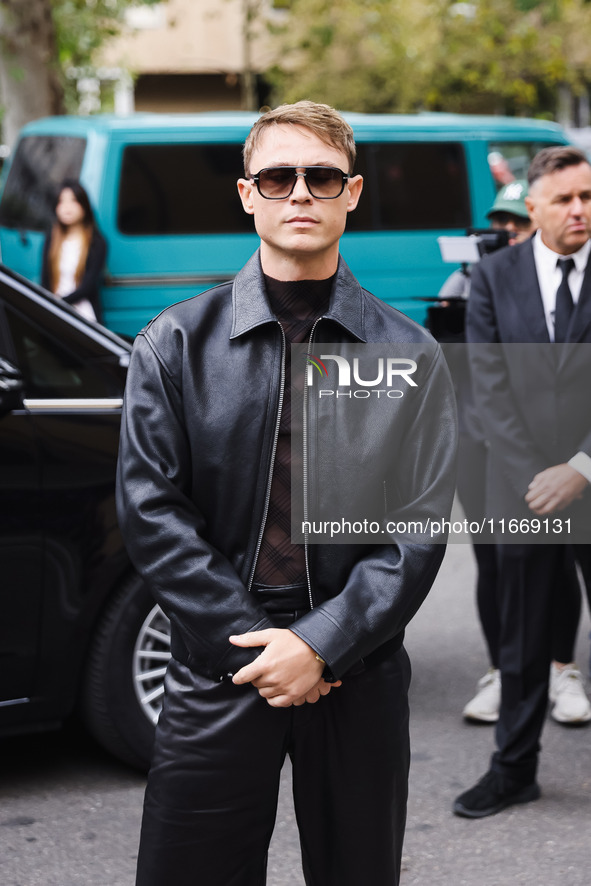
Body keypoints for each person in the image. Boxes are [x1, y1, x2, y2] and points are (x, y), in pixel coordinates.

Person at [116, 101, 457, 886]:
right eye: (277, 176)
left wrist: (322, 642)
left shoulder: (411, 352)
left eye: (320, 176)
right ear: (247, 195)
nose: (299, 192)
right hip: (219, 658)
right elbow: (151, 513)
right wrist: (260, 646)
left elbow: (419, 525)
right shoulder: (172, 343)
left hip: (357, 661)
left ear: (352, 192)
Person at [455, 145, 591, 818]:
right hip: (523, 489)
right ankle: (512, 771)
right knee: (521, 637)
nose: (578, 210)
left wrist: (580, 469)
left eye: (587, 198)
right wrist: (537, 478)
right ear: (530, 205)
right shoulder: (492, 277)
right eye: (564, 199)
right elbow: (487, 388)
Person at [41, 179, 106, 323]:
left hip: (84, 316)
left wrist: (58, 303)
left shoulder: (97, 243)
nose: (66, 207)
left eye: (73, 200)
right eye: (61, 201)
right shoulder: (51, 238)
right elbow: (44, 280)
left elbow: (88, 286)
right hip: (55, 314)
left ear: (84, 205)